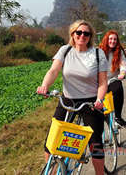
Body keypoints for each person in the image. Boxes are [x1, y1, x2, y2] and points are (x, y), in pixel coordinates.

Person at [37, 20, 108, 175]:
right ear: (73, 34)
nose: (82, 36)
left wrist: (99, 100)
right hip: (67, 100)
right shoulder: (65, 50)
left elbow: (103, 82)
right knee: (51, 143)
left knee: (95, 145)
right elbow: (53, 71)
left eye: (86, 33)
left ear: (90, 36)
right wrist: (45, 86)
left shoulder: (97, 54)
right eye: (79, 32)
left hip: (90, 103)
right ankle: (52, 170)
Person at [99, 30, 126, 127]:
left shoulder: (119, 51)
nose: (113, 41)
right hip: (99, 81)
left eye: (115, 39)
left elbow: (123, 64)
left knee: (118, 88)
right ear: (106, 40)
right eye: (110, 39)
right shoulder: (99, 51)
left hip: (112, 79)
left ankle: (118, 117)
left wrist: (122, 73)